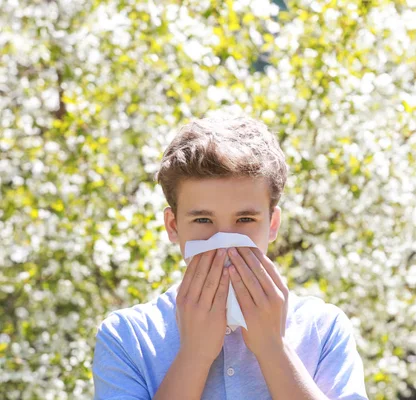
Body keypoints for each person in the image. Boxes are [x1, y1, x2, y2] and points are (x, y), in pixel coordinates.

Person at [92, 117, 368, 399]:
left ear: (272, 225)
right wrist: (194, 354)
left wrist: (273, 348)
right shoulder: (127, 337)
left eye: (245, 219)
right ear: (173, 226)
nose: (224, 242)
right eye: (202, 220)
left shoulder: (323, 328)